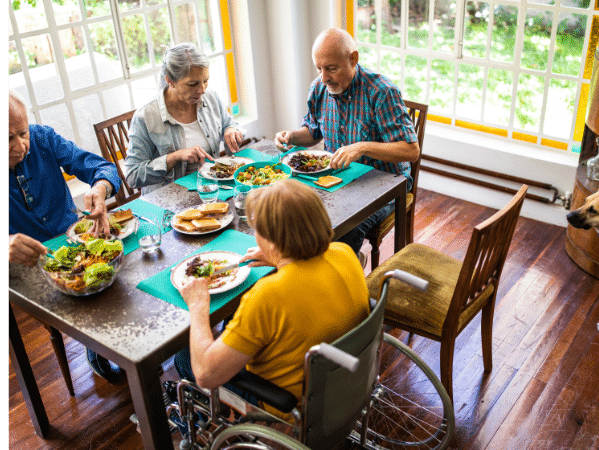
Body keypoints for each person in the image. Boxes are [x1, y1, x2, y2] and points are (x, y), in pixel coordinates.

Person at [174, 179, 369, 421]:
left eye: (258, 231)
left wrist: (198, 305)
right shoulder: (344, 253)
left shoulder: (267, 295)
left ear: (273, 241)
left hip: (289, 405)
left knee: (184, 358)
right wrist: (280, 258)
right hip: (345, 383)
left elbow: (205, 374)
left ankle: (208, 425)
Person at [8, 90, 125, 383]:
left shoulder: (43, 139)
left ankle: (118, 347)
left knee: (123, 280)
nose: (21, 145)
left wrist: (99, 189)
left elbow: (104, 168)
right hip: (29, 266)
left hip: (77, 243)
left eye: (23, 132)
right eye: (6, 139)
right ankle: (101, 345)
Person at [274, 27, 419, 261]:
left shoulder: (381, 92)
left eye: (331, 68)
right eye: (319, 68)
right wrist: (291, 136)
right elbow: (313, 133)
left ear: (353, 59)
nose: (324, 78)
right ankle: (316, 276)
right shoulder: (319, 88)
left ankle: (344, 274)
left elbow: (410, 150)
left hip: (383, 184)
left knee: (343, 231)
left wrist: (361, 147)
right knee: (293, 216)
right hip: (337, 181)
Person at [125, 42, 245, 194]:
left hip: (211, 189)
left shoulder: (210, 96)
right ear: (170, 81)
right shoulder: (145, 116)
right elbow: (132, 176)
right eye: (192, 84)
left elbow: (230, 123)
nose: (202, 90)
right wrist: (174, 157)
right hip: (168, 199)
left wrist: (231, 129)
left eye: (205, 80)